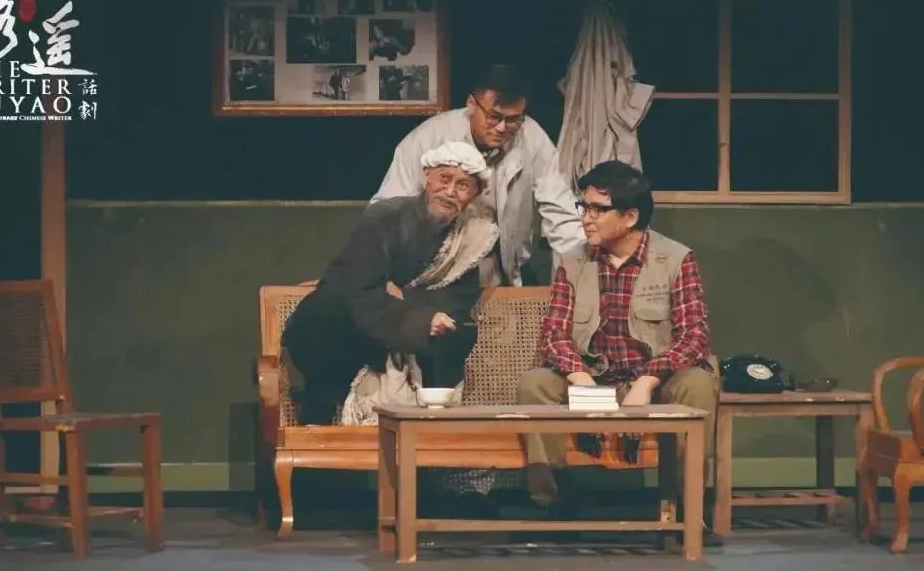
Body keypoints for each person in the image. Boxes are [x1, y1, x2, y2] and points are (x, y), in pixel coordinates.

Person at [517, 160, 720, 540]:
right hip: (594, 379)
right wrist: (580, 378)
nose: (586, 218)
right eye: (583, 207)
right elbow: (554, 334)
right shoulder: (573, 262)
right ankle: (553, 504)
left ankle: (690, 506)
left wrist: (647, 381)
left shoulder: (676, 258)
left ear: (630, 216)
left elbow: (694, 335)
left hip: (654, 381)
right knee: (535, 383)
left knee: (697, 383)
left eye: (597, 209)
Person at [281, 141, 498, 425]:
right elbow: (358, 287)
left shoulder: (469, 240)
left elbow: (456, 301)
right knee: (334, 313)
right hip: (341, 334)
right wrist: (420, 316)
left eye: (463, 186)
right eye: (444, 179)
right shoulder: (385, 216)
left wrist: (405, 301)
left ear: (475, 195)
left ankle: (426, 440)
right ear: (427, 176)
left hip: (408, 336)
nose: (450, 191)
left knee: (458, 334)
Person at [372, 64, 584, 287]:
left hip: (507, 269)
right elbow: (386, 213)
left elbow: (564, 217)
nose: (502, 128)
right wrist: (385, 278)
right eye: (494, 116)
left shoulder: (532, 138)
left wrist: (575, 288)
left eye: (513, 119)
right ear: (471, 104)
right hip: (436, 271)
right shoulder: (428, 138)